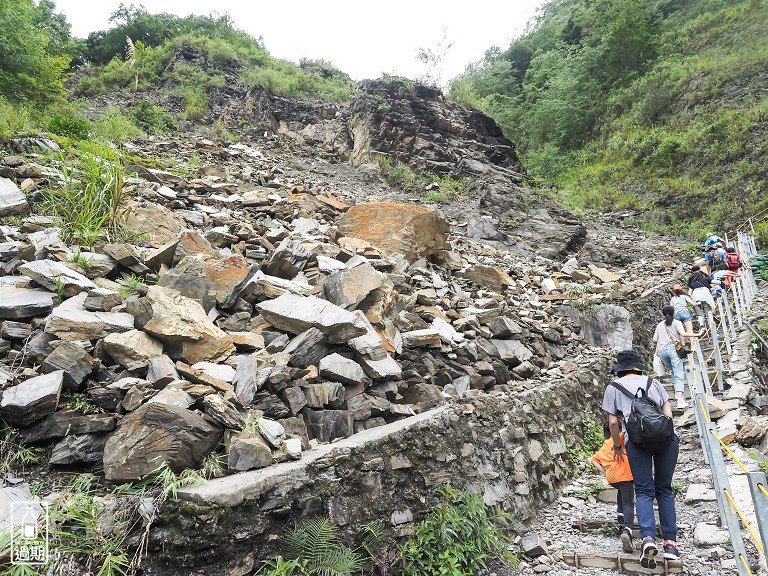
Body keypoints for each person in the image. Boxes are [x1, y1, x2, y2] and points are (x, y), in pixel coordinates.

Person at [601, 350, 681, 567]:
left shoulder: (613, 387)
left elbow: (613, 423)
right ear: (638, 367)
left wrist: (618, 446)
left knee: (644, 490)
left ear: (619, 370)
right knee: (664, 489)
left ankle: (647, 539)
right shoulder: (653, 383)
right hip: (666, 439)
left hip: (636, 441)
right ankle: (671, 545)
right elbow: (668, 414)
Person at [592, 422, 635, 553]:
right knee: (629, 503)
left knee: (621, 495)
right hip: (625, 475)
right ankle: (627, 530)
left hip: (612, 478)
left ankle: (621, 521)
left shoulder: (604, 445)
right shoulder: (620, 437)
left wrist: (605, 472)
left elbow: (593, 460)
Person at [653, 306, 703, 409]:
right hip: (673, 351)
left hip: (662, 352)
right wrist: (698, 334)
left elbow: (654, 339)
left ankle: (677, 395)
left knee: (674, 372)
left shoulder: (659, 325)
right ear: (673, 313)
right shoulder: (676, 323)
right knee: (679, 374)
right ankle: (680, 401)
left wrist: (663, 340)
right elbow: (683, 334)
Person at [670, 284, 699, 348]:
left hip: (677, 314)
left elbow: (671, 309)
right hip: (685, 313)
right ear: (681, 289)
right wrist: (699, 303)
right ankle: (692, 346)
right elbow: (693, 304)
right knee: (690, 330)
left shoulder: (672, 299)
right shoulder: (684, 296)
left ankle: (683, 346)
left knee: (680, 331)